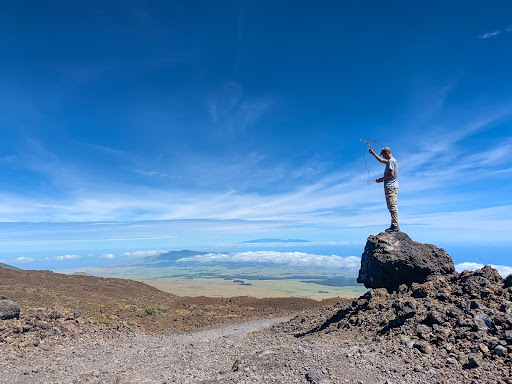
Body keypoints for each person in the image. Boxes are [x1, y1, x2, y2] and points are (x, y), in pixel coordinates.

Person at [369, 146, 399, 232]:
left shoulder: (391, 161)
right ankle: (394, 225)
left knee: (392, 206)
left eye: (383, 155)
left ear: (387, 153)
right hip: (392, 187)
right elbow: (381, 161)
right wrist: (373, 153)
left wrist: (380, 179)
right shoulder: (392, 161)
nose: (383, 157)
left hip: (390, 187)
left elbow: (391, 174)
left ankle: (395, 226)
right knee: (390, 206)